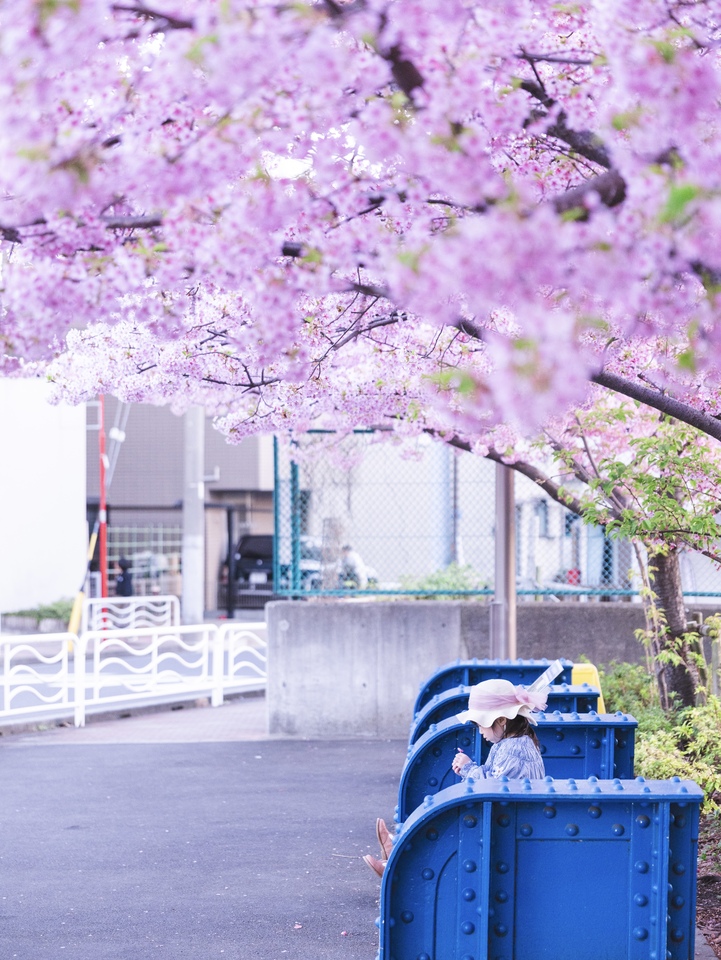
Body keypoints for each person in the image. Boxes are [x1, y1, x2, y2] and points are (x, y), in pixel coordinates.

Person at [363, 678, 548, 877]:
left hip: (510, 826)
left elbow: (493, 787)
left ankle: (397, 862)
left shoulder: (513, 749)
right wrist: (469, 768)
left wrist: (468, 768)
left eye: (480, 724)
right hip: (512, 819)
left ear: (502, 720)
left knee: (451, 823)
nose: (479, 731)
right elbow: (494, 778)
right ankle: (398, 847)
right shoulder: (512, 743)